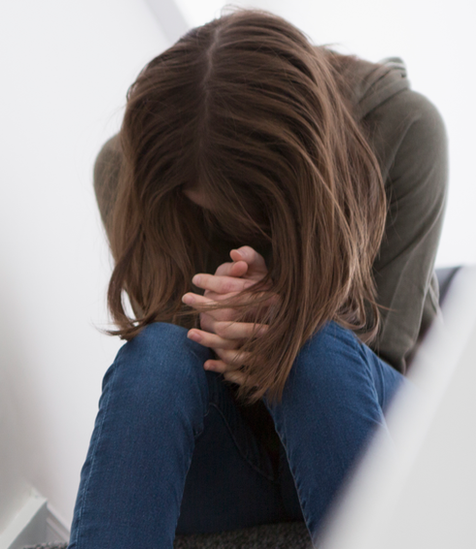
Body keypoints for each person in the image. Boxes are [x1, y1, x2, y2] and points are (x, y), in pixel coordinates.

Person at [68, 8, 447, 549]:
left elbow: (380, 355)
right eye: (209, 208)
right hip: (234, 457)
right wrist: (212, 322)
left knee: (313, 349)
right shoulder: (131, 173)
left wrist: (291, 315)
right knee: (156, 351)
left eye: (250, 205)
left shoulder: (405, 129)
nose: (232, 226)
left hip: (359, 430)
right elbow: (182, 373)